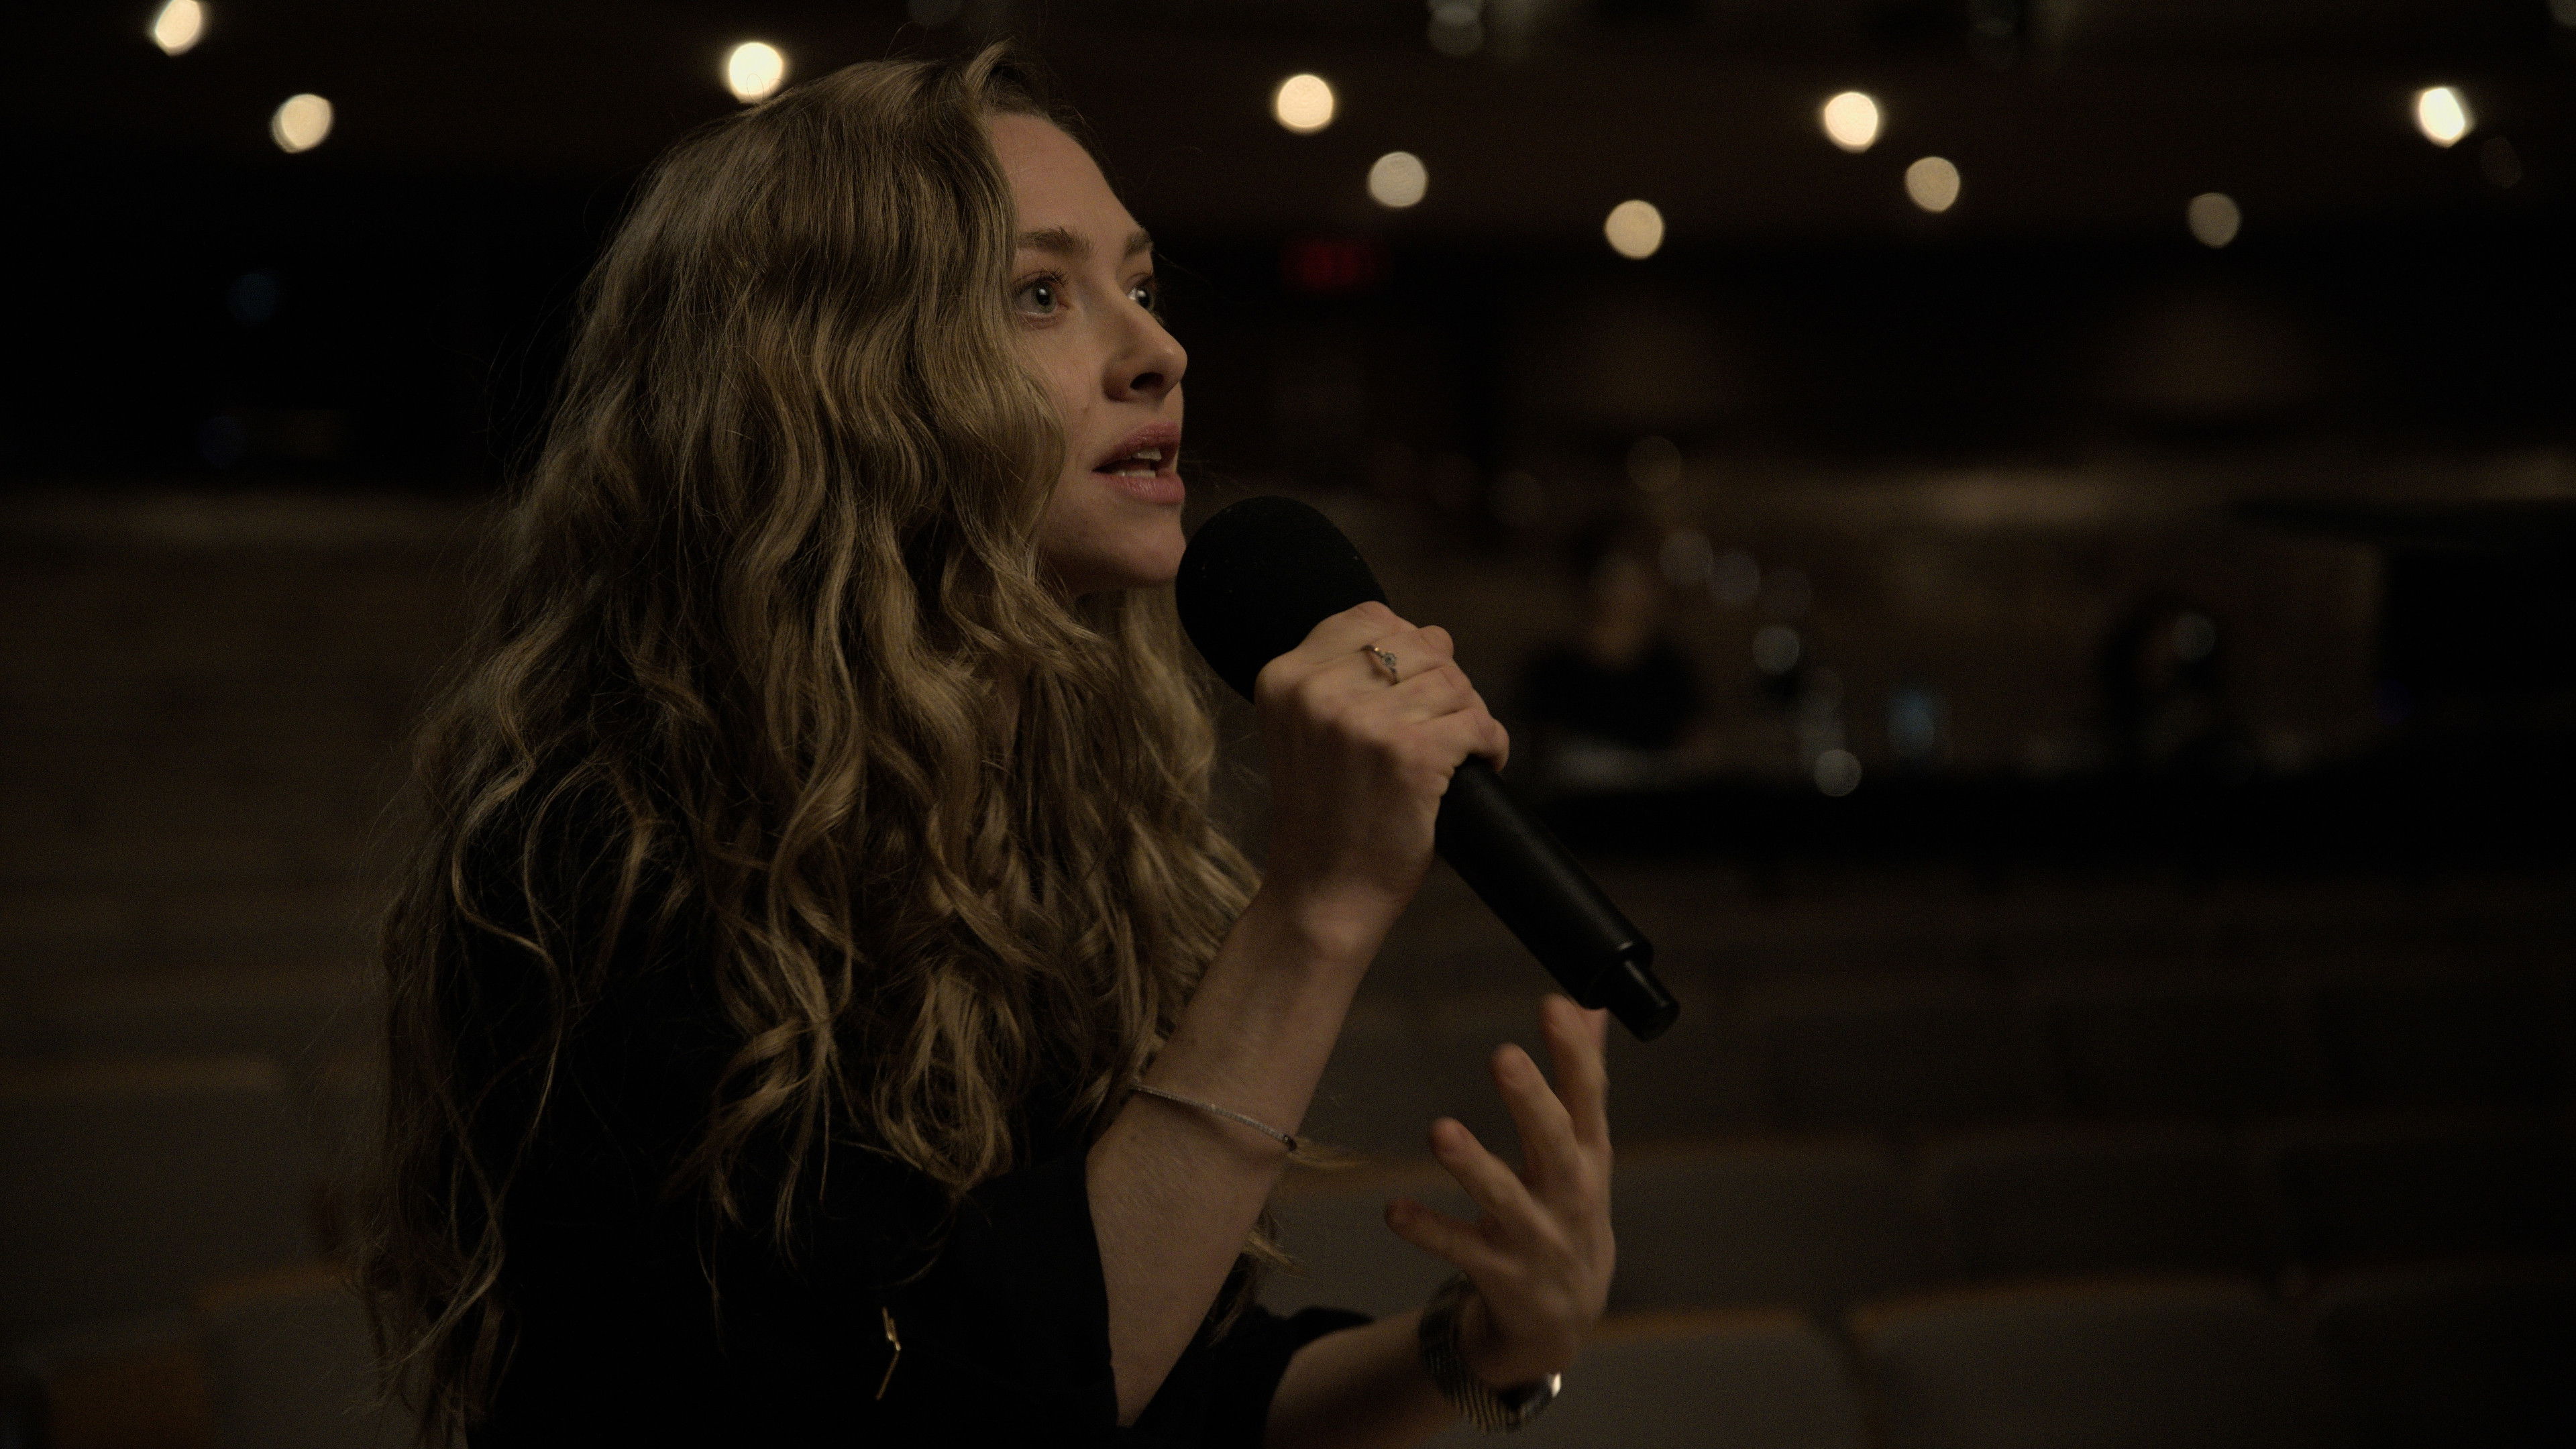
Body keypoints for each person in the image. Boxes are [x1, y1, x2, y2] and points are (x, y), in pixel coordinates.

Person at [364, 46, 1614, 1447]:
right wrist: (1314, 912)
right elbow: (979, 1405)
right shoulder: (603, 844)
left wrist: (1478, 1348)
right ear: (833, 378)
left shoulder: (1055, 807)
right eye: (1040, 294)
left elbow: (1158, 1389)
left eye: (1139, 286)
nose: (1160, 352)